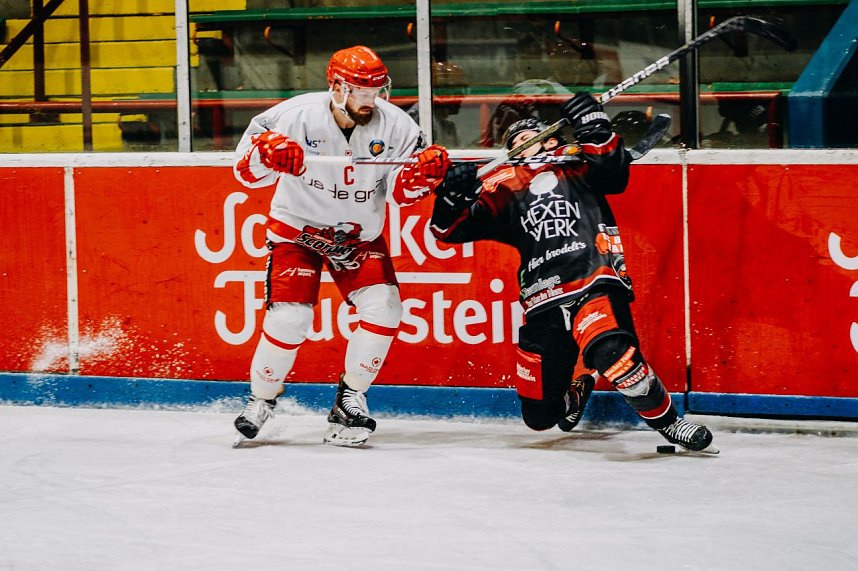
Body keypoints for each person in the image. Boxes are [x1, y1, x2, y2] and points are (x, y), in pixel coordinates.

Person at [429, 93, 717, 453]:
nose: (531, 143)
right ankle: (576, 391)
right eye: (518, 141)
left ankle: (672, 424)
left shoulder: (579, 165)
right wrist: (451, 197)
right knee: (540, 417)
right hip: (541, 297)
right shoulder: (502, 185)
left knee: (613, 353)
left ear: (556, 139)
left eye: (542, 136)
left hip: (592, 278)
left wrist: (593, 125)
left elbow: (614, 171)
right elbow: (447, 231)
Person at [232, 45, 450, 446]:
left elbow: (401, 193)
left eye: (376, 91)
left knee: (384, 307)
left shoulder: (399, 127)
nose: (371, 101)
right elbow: (246, 174)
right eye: (360, 92)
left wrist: (422, 178)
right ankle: (261, 400)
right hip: (297, 234)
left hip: (357, 238)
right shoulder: (291, 115)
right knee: (289, 319)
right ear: (336, 87)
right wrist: (266, 155)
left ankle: (350, 399)